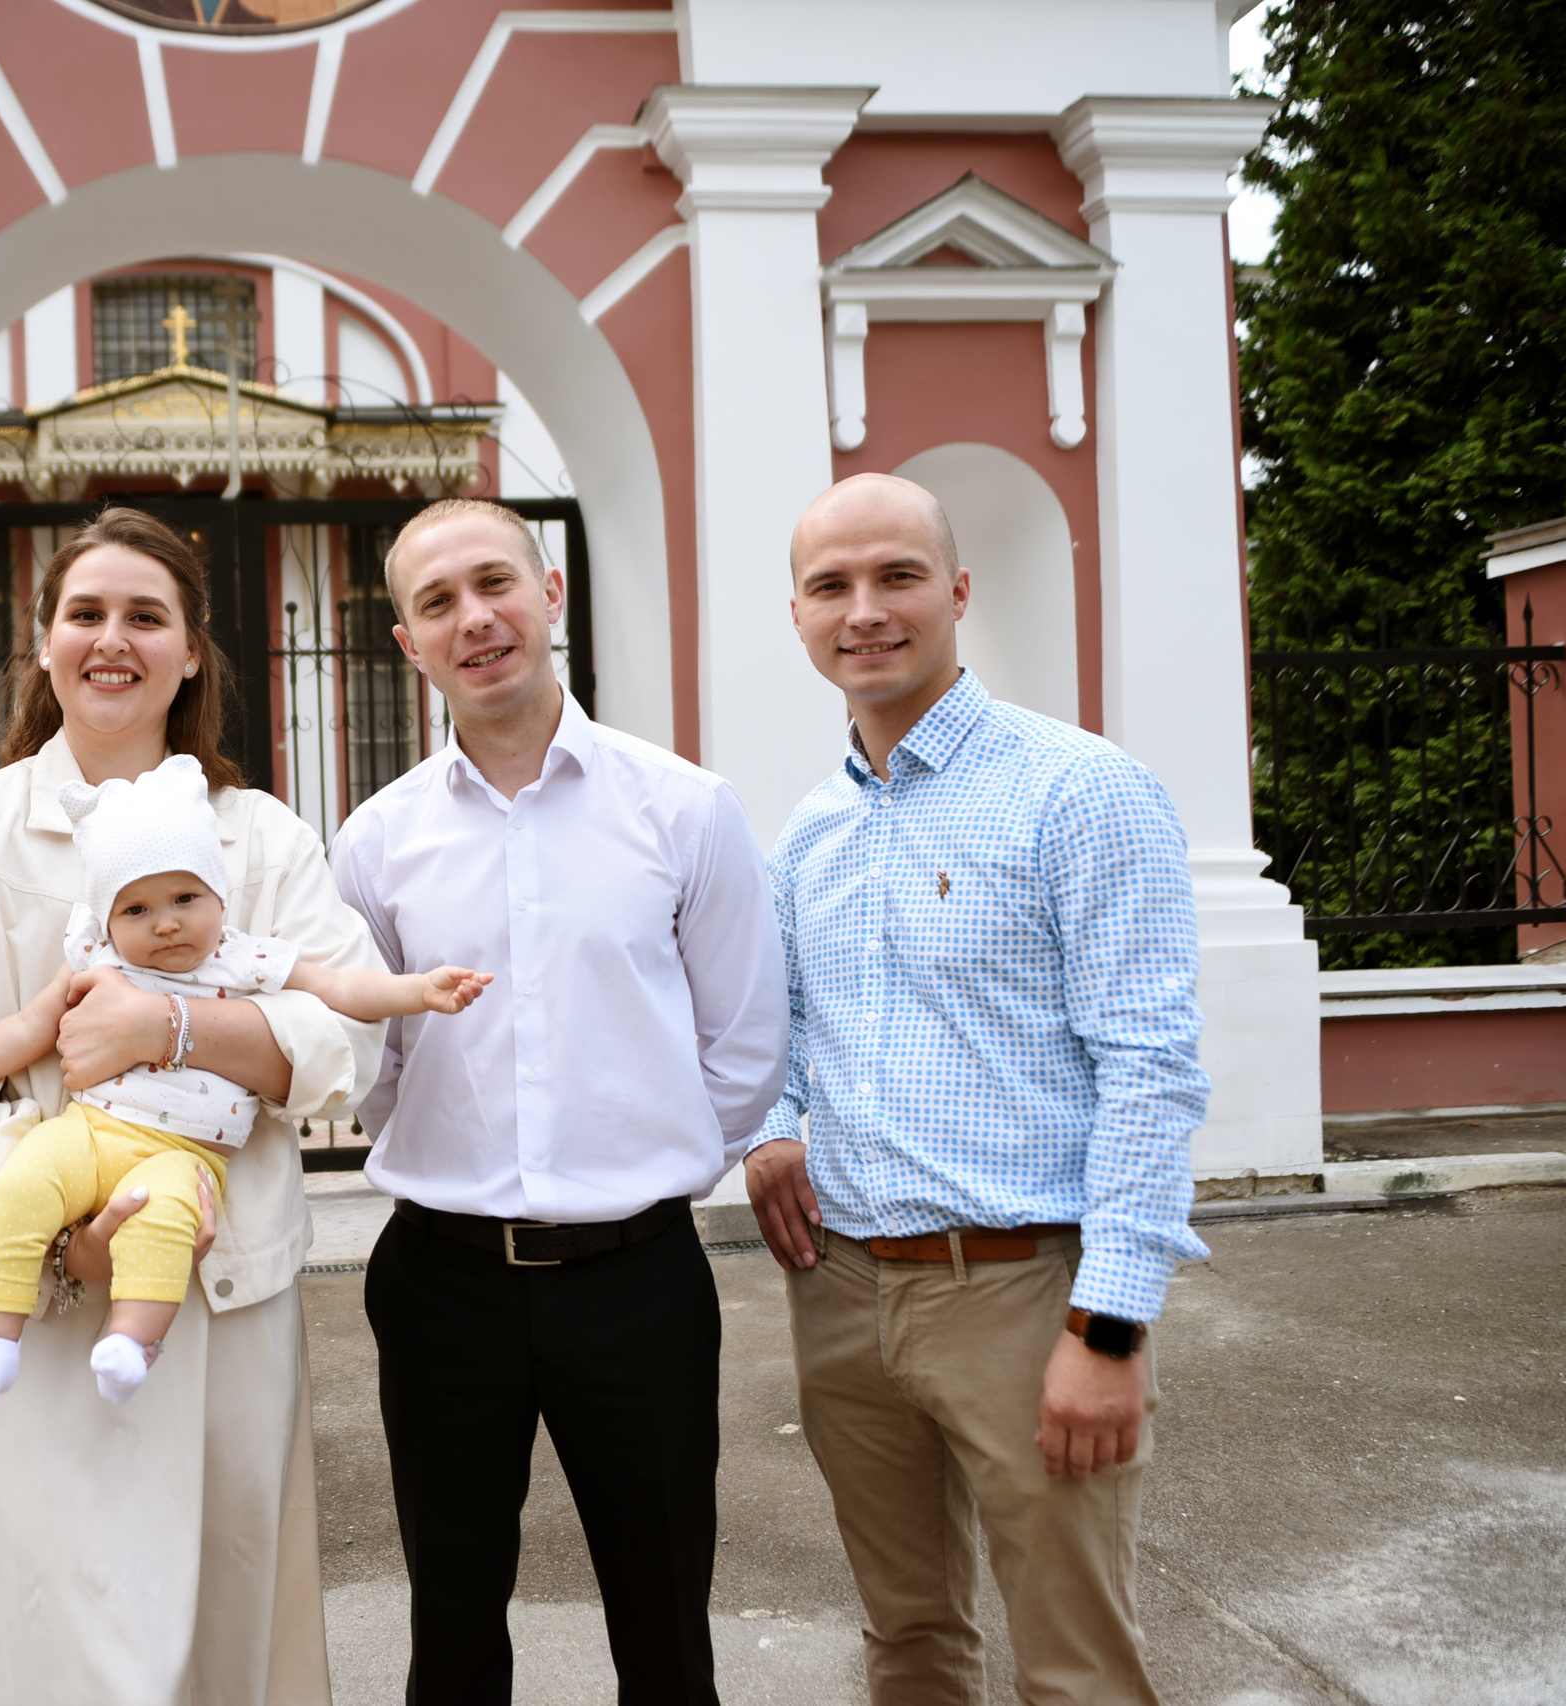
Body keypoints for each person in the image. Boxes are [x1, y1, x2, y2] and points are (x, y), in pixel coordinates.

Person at [0, 508, 386, 1705]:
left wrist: (170, 1027)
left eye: (146, 616)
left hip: (218, 1284)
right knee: (40, 1632)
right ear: (45, 644)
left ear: (193, 652)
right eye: (86, 613)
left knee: (222, 1624)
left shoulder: (257, 833)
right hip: (28, 1293)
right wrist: (66, 1223)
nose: (113, 640)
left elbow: (338, 1044)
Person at [744, 472, 1211, 1706]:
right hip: (842, 1296)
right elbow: (790, 1035)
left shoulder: (1081, 790)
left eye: (896, 576)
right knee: (906, 1642)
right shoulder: (808, 833)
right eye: (830, 586)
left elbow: (1151, 1073)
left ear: (955, 589)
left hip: (1021, 1289)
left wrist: (1107, 1329)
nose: (865, 611)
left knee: (1075, 1665)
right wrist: (777, 1132)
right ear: (794, 612)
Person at [329, 498, 789, 1706]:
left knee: (662, 1621)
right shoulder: (377, 842)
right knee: (453, 1624)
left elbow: (743, 1039)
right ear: (406, 643)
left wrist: (643, 1159)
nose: (473, 618)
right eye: (437, 603)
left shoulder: (684, 806)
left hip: (636, 1281)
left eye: (494, 584)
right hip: (441, 1281)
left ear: (549, 593)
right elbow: (366, 1060)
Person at [0, 752, 488, 1417]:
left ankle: (130, 1343)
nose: (166, 922)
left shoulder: (241, 957)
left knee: (167, 1223)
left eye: (185, 898)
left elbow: (343, 987)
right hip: (89, 1132)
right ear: (107, 917)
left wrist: (418, 990)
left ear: (218, 898)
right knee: (21, 1188)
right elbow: (28, 1030)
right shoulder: (96, 957)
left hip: (186, 1155)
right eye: (137, 908)